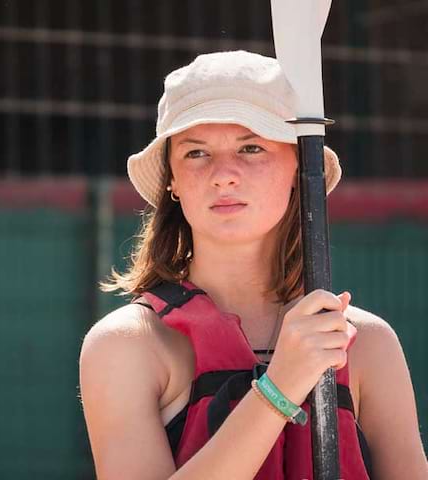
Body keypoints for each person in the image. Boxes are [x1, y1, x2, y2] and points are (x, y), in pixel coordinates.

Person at [78, 50, 428, 479]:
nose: (224, 174)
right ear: (171, 178)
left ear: (299, 167)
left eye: (251, 147)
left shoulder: (369, 343)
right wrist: (279, 387)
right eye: (196, 153)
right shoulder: (127, 345)